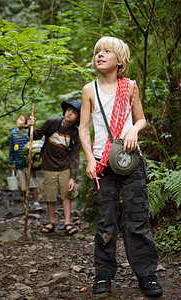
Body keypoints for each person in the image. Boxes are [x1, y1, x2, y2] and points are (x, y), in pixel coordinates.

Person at [79, 36, 163, 297]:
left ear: (120, 61)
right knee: (105, 222)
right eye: (97, 52)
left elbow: (141, 120)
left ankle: (147, 274)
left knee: (137, 219)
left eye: (106, 51)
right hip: (103, 164)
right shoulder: (89, 89)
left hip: (131, 162)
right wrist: (90, 160)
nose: (100, 55)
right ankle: (103, 275)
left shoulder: (130, 87)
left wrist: (134, 131)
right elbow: (83, 128)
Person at [27, 100, 81, 236]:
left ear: (78, 118)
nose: (70, 113)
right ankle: (51, 222)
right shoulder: (52, 122)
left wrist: (72, 178)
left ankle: (67, 223)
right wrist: (30, 126)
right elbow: (35, 135)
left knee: (66, 195)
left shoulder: (75, 134)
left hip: (65, 167)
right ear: (64, 111)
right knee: (49, 195)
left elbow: (75, 157)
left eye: (74, 112)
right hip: (49, 165)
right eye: (69, 110)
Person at [9, 114, 42, 212]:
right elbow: (12, 149)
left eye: (21, 119)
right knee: (23, 185)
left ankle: (36, 202)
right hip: (18, 163)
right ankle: (26, 203)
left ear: (26, 123)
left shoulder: (29, 133)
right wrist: (12, 162)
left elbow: (38, 142)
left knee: (32, 183)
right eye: (18, 119)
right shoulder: (13, 134)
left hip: (29, 163)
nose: (18, 121)